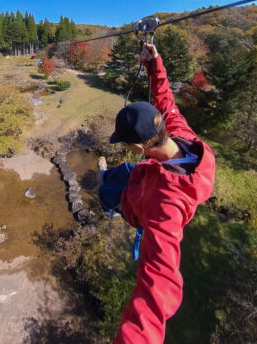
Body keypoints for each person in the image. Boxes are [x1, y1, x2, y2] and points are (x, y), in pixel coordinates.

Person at [99, 42, 216, 344]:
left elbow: (159, 281)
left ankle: (109, 203)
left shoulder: (167, 205)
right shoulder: (183, 137)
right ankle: (108, 178)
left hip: (136, 201)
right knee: (121, 172)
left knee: (108, 191)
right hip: (143, 179)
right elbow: (166, 101)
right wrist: (154, 64)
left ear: (139, 147)